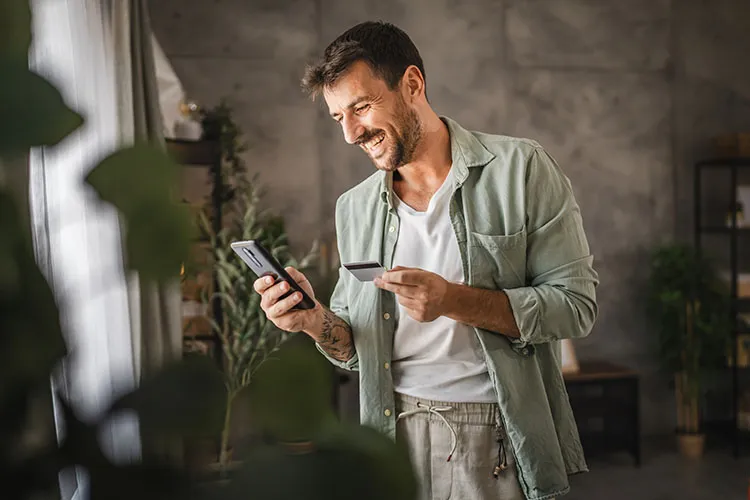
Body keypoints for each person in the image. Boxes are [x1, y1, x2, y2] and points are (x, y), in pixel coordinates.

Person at [253, 21, 599, 500]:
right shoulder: (353, 207)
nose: (352, 133)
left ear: (412, 85)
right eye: (338, 118)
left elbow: (576, 306)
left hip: (497, 435)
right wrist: (313, 321)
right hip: (390, 439)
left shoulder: (521, 168)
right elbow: (356, 350)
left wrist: (453, 300)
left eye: (362, 106)